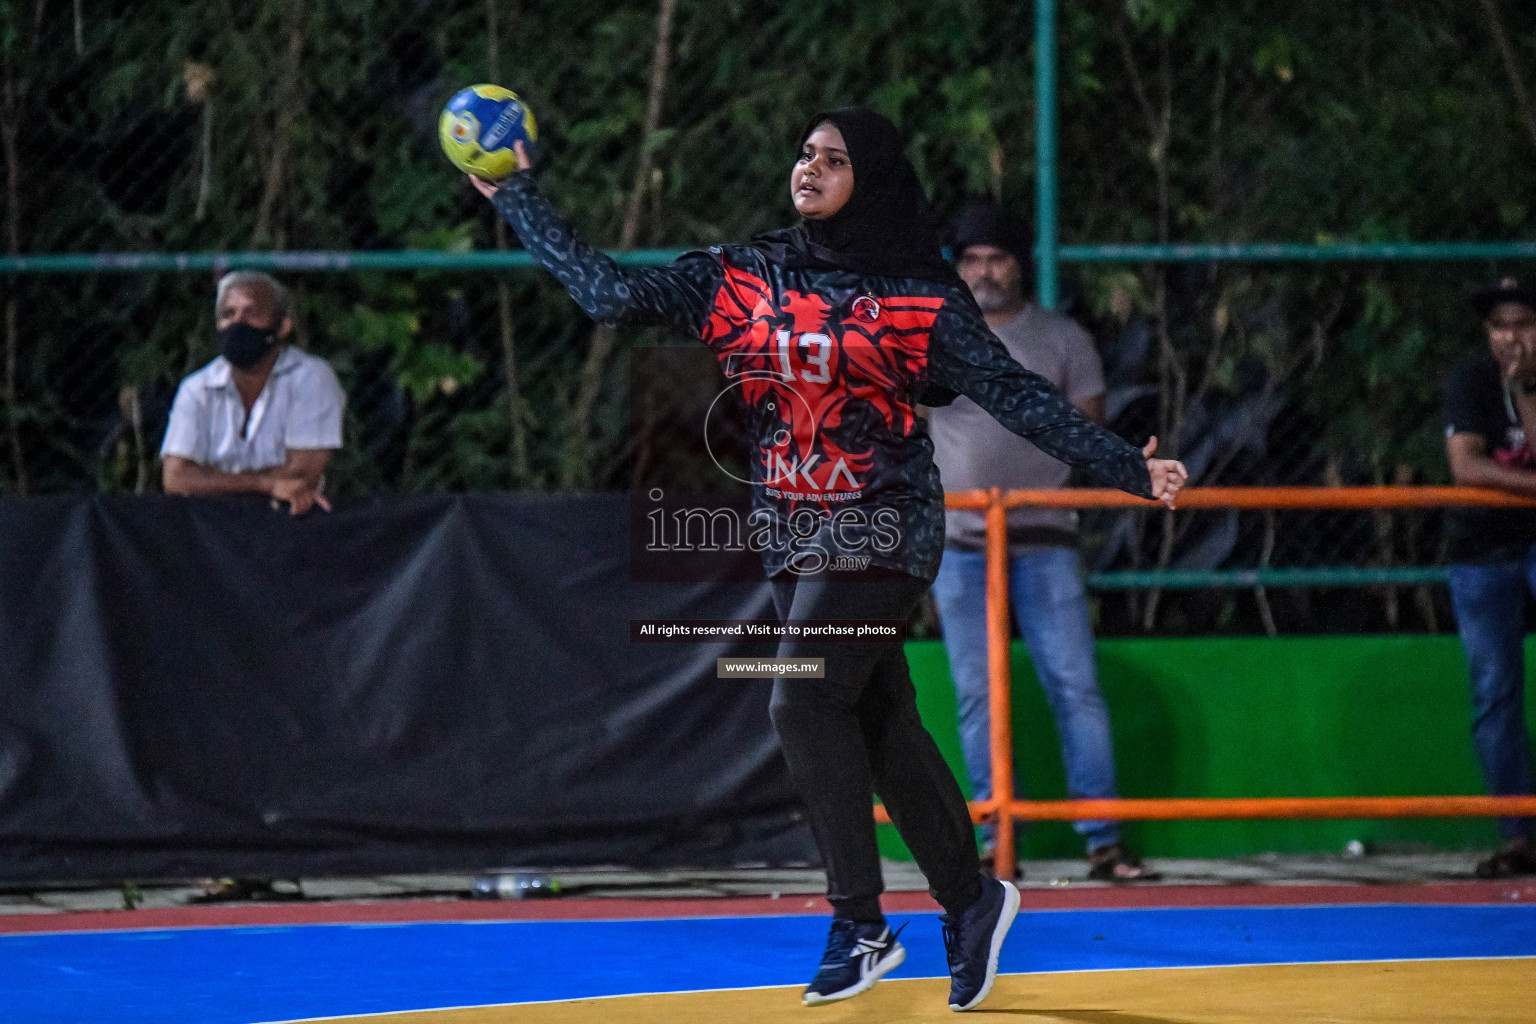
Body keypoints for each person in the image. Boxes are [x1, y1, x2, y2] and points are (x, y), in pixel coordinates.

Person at [470, 109, 1187, 1010]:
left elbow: (1015, 396)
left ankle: (859, 923)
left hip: (884, 522)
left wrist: (1130, 466)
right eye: (806, 152)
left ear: (872, 179)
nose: (809, 167)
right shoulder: (747, 272)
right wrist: (522, 198)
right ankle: (971, 903)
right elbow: (611, 296)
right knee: (882, 724)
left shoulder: (921, 297)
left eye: (835, 159)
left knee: (802, 695)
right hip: (790, 530)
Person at [928, 201, 1153, 882]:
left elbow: (1089, 427)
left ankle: (1103, 840)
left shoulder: (1062, 339)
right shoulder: (937, 339)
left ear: (1020, 263)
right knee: (975, 693)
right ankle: (998, 841)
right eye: (972, 260)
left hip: (1046, 539)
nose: (986, 271)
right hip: (962, 545)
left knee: (1075, 685)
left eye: (997, 258)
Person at [1443, 275, 1536, 878]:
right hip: (1482, 551)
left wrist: (1526, 392)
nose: (1510, 337)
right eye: (1500, 326)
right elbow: (1466, 467)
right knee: (1495, 694)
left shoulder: (1522, 378)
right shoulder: (1470, 380)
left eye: (1524, 325)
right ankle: (1519, 836)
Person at [161, 270, 345, 516]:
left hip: (286, 519)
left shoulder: (311, 378)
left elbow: (301, 477)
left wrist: (209, 481)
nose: (238, 321)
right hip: (211, 527)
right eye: (229, 314)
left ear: (282, 327)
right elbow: (175, 478)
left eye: (252, 313)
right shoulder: (197, 387)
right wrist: (267, 483)